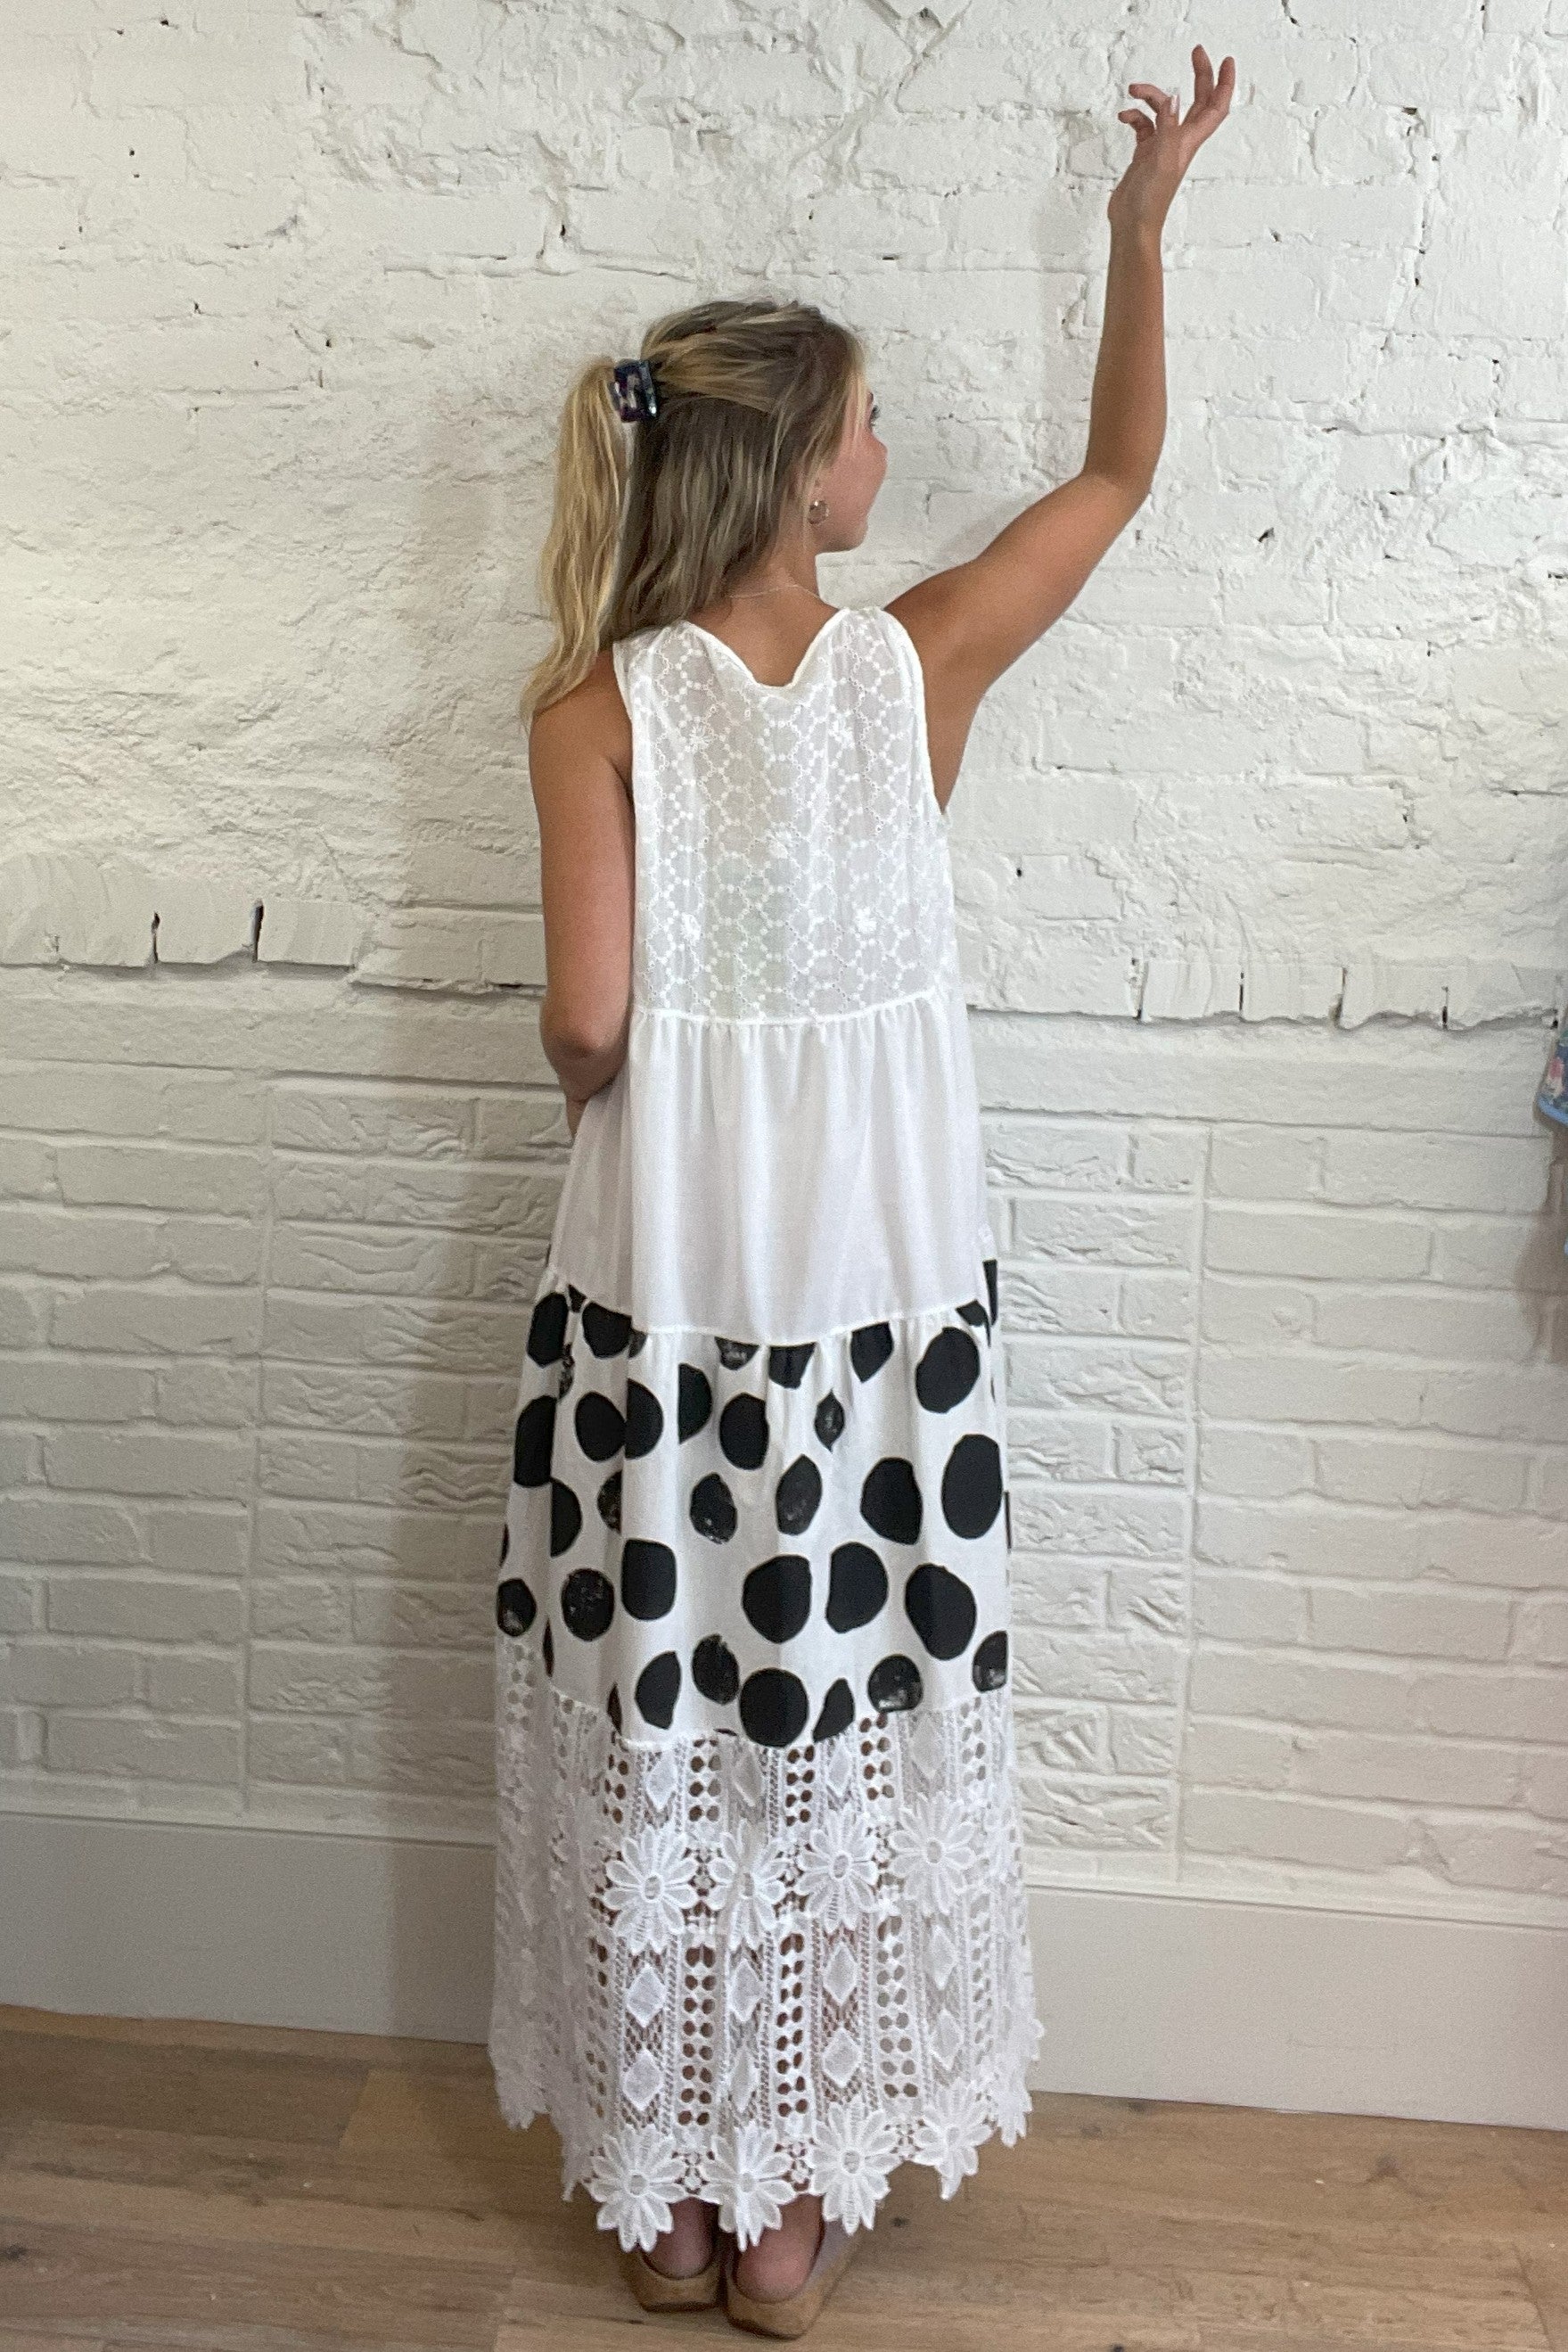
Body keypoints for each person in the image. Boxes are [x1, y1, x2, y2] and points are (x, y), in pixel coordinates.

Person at [490, 46, 1235, 2338]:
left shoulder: (593, 706)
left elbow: (588, 1027)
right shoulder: (916, 666)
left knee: (667, 1714)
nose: (889, 456)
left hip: (663, 1298)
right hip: (876, 1308)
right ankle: (791, 2205)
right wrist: (1135, 237)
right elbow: (1119, 471)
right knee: (834, 1708)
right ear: (806, 471)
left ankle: (670, 2192)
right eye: (873, 425)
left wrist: (638, 1064)